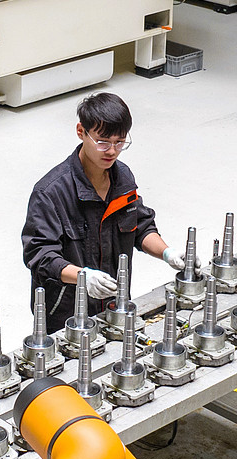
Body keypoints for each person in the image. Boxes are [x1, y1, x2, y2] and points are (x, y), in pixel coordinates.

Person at [21, 92, 182, 333]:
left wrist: (167, 253)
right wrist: (83, 277)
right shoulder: (50, 193)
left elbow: (141, 227)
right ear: (81, 131)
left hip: (114, 304)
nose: (112, 151)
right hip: (65, 314)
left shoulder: (122, 178)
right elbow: (40, 256)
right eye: (103, 141)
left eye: (120, 142)